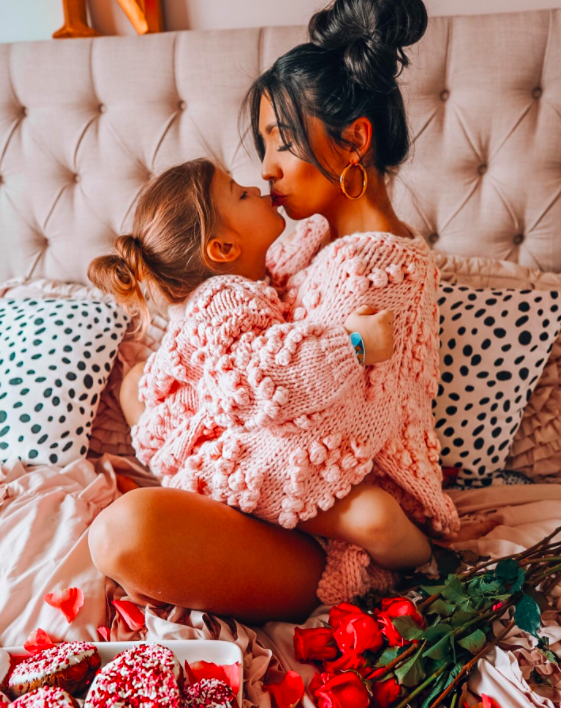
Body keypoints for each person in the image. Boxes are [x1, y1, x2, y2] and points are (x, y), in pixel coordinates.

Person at [88, 0, 460, 624]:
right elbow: (241, 338)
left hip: (332, 521)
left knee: (124, 532)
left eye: (281, 142)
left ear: (353, 142)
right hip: (279, 487)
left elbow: (325, 430)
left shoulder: (379, 270)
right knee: (136, 391)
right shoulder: (309, 243)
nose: (264, 172)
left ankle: (393, 571)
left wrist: (202, 448)